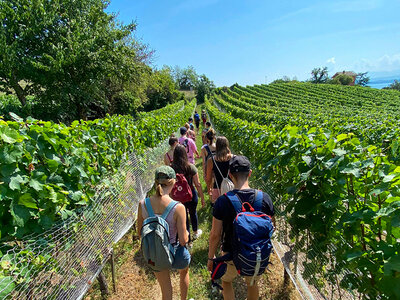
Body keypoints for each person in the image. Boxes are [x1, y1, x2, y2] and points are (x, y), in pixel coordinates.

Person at [207, 156, 275, 300]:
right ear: (250, 173)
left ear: (230, 175)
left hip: (229, 253)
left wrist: (211, 257)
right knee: (252, 284)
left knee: (226, 281)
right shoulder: (265, 198)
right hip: (254, 254)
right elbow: (272, 227)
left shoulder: (222, 201)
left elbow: (215, 234)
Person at [137, 166, 190, 300]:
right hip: (175, 251)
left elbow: (139, 233)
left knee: (165, 289)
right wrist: (187, 235)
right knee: (184, 271)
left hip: (156, 253)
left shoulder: (143, 204)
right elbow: (183, 240)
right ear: (173, 183)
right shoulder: (178, 207)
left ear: (155, 182)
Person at [171, 145, 205, 242]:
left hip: (178, 197)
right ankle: (195, 232)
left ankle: (187, 240)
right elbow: (197, 184)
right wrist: (202, 197)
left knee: (183, 217)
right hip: (191, 195)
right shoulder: (190, 167)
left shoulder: (171, 168)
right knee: (193, 213)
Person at [205, 136, 233, 204]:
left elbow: (208, 178)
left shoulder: (211, 160)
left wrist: (209, 189)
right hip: (231, 188)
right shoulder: (233, 158)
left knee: (218, 210)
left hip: (217, 188)